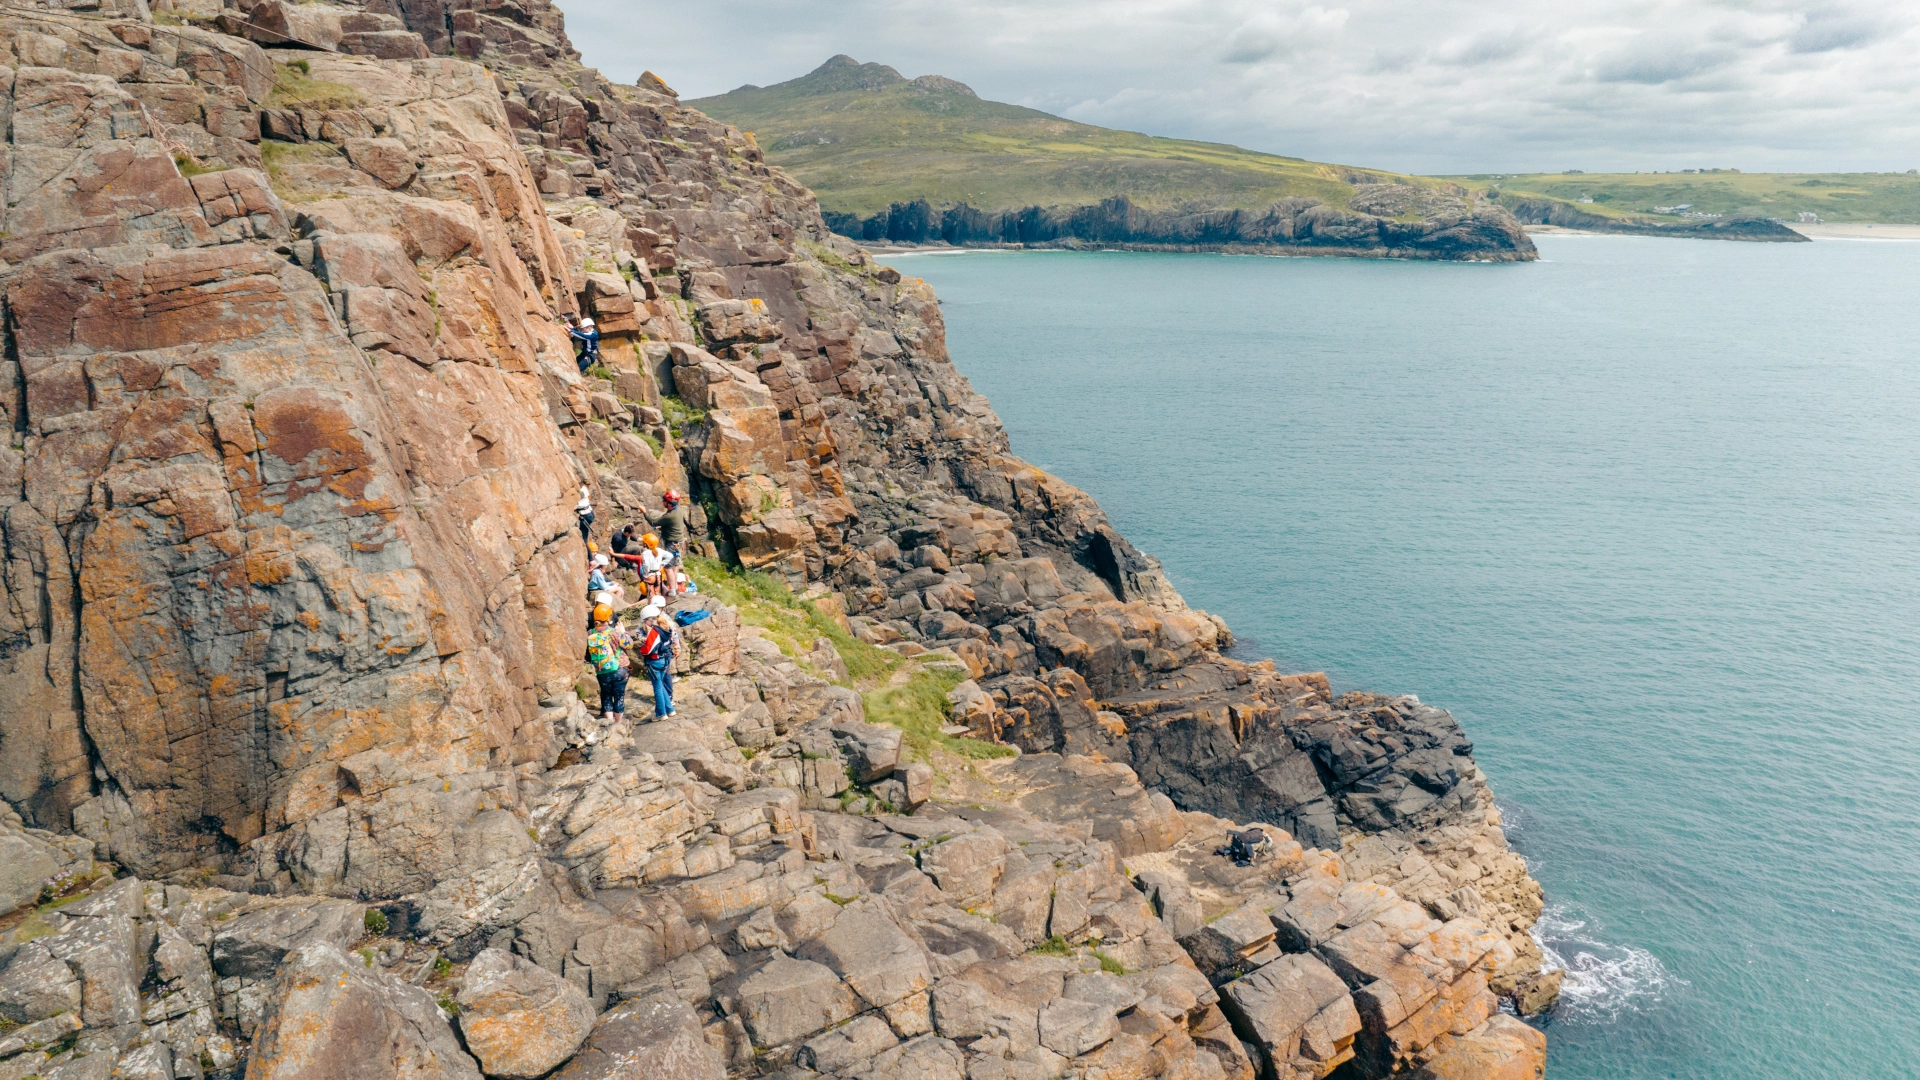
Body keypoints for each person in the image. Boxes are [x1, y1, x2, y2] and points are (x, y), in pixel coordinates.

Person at [584, 603, 632, 726]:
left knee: (606, 696)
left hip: (601, 671)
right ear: (609, 618)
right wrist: (624, 632)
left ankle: (610, 725)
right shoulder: (614, 632)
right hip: (619, 669)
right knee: (619, 696)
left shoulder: (590, 633)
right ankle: (618, 724)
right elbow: (629, 644)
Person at [645, 491, 691, 594]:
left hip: (671, 544)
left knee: (668, 568)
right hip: (678, 542)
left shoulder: (670, 515)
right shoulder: (678, 510)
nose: (662, 501)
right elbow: (675, 524)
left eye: (664, 500)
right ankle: (674, 588)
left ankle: (673, 591)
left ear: (669, 503)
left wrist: (644, 512)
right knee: (674, 566)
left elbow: (653, 522)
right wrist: (664, 527)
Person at [637, 603, 677, 719]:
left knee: (657, 688)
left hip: (655, 662)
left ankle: (661, 713)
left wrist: (642, 648)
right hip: (664, 660)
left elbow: (648, 650)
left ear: (650, 619)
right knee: (661, 686)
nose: (644, 624)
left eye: (645, 621)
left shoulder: (655, 631)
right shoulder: (667, 628)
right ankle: (670, 709)